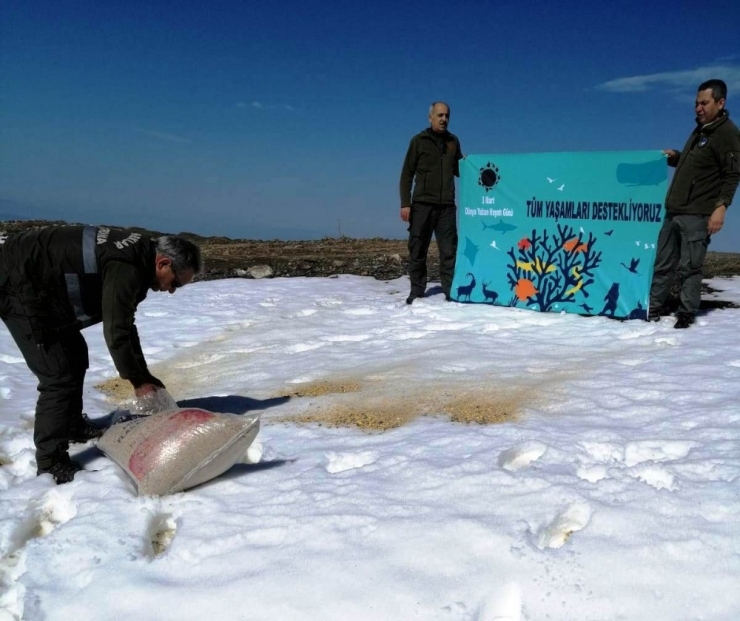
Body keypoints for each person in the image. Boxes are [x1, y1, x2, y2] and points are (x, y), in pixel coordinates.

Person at [0, 225, 202, 483]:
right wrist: (137, 381)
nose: (172, 290)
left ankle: (71, 424)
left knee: (74, 352)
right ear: (163, 263)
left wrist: (144, 375)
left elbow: (126, 324)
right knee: (58, 374)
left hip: (38, 284)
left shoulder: (137, 258)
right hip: (16, 281)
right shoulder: (127, 266)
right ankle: (51, 463)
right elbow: (116, 332)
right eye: (175, 283)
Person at [648, 79, 740, 328]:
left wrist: (720, 208)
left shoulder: (727, 133)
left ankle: (687, 312)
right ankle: (653, 307)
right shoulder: (701, 130)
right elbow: (696, 168)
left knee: (690, 266)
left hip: (698, 214)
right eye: (696, 103)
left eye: (704, 103)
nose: (698, 108)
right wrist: (676, 157)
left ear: (720, 103)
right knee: (662, 264)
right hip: (674, 211)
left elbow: (733, 174)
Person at [399, 101, 463, 304]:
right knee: (417, 249)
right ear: (430, 117)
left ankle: (450, 291)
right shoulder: (418, 141)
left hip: (446, 207)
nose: (444, 119)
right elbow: (406, 174)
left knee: (449, 251)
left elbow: (460, 169)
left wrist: (479, 169)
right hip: (422, 205)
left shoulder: (453, 142)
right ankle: (417, 291)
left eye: (447, 116)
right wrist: (405, 203)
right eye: (440, 115)